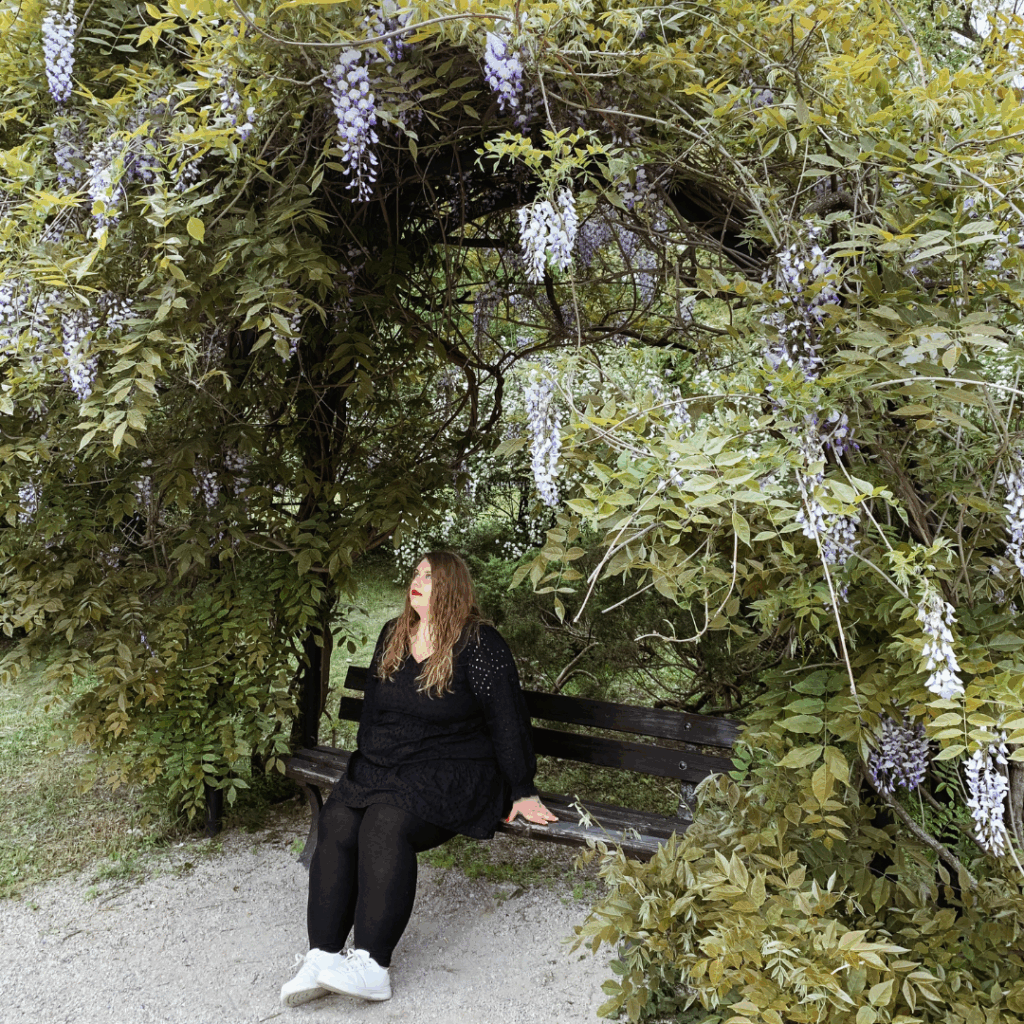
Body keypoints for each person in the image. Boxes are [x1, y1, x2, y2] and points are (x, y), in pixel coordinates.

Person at [280, 550, 558, 1006]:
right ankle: (322, 957)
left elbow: (508, 720)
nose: (418, 580)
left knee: (385, 822)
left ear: (451, 587)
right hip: (390, 765)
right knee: (339, 818)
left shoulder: (479, 643)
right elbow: (373, 712)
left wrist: (523, 788)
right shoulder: (394, 633)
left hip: (457, 770)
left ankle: (372, 965)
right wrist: (372, 763)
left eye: (430, 575)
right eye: (416, 573)